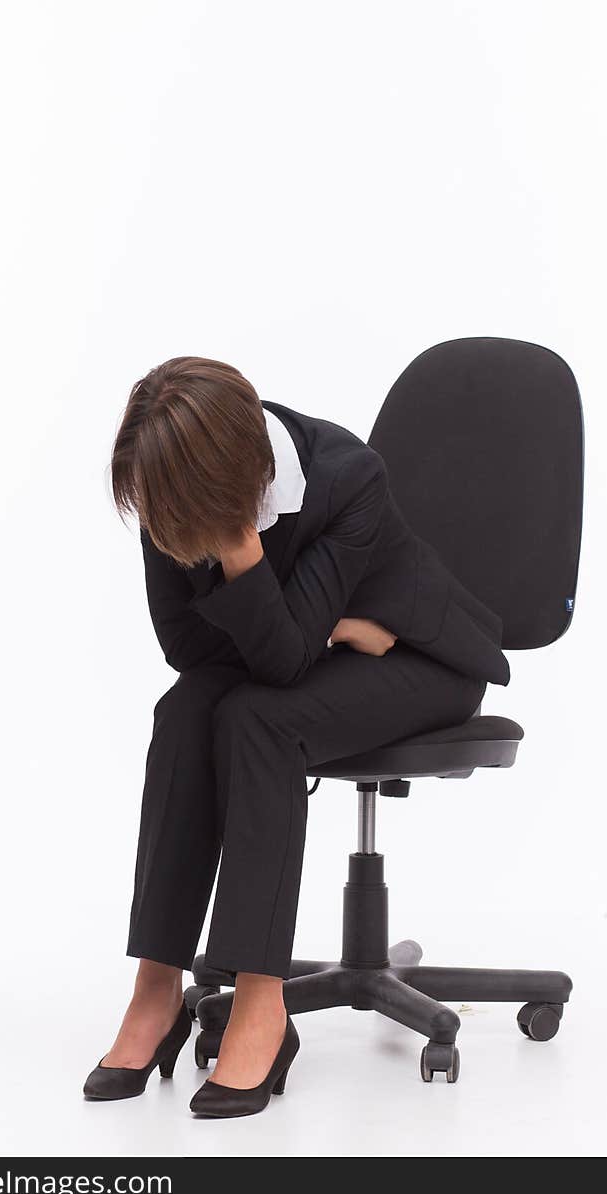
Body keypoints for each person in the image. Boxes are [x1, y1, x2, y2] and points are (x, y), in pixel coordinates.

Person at [83, 356, 510, 1118]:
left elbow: (276, 666)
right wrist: (337, 627)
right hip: (348, 642)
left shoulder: (349, 478)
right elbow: (186, 647)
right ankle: (156, 988)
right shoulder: (171, 476)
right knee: (184, 710)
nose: (172, 538)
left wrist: (242, 552)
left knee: (258, 718)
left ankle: (261, 1002)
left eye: (191, 527)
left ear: (237, 486)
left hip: (418, 656)